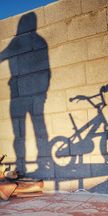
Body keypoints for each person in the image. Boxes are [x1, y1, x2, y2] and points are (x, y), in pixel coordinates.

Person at [0, 12, 51, 176]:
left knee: (22, 133)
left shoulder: (18, 41)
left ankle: (23, 167)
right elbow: (47, 72)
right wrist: (43, 93)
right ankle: (38, 165)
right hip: (30, 95)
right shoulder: (39, 41)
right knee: (36, 130)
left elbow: (2, 56)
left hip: (22, 95)